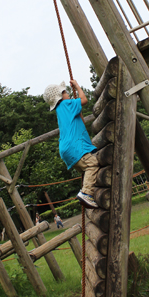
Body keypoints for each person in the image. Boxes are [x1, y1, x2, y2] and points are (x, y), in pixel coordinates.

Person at [43, 79, 99, 209]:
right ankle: (86, 193)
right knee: (93, 164)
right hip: (75, 147)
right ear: (60, 96)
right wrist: (77, 86)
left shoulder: (61, 110)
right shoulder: (66, 105)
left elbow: (79, 119)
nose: (68, 94)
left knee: (87, 169)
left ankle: (89, 193)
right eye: (65, 92)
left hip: (67, 150)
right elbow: (84, 100)